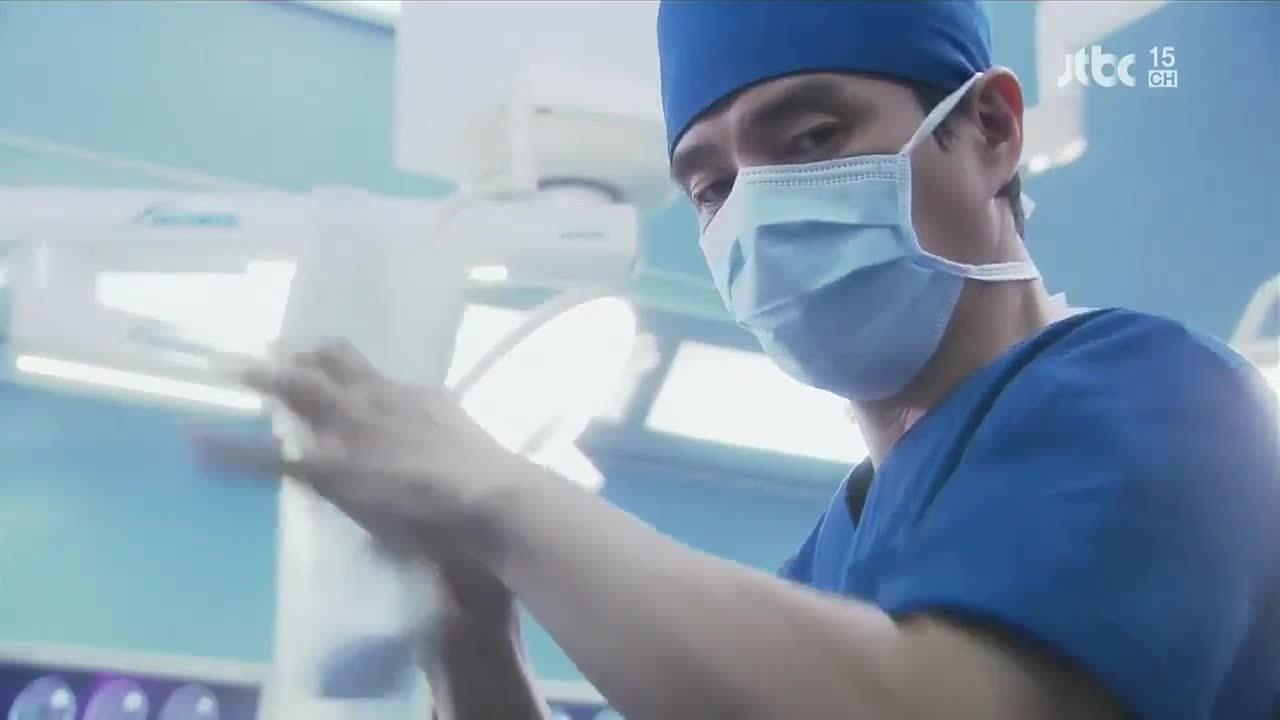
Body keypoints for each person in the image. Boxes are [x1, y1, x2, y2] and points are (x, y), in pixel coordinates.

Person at [197, 1, 1280, 718]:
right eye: (711, 184)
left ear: (992, 131)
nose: (756, 209)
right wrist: (469, 627)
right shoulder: (827, 567)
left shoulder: (1163, 399)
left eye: (810, 138)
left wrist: (500, 495)